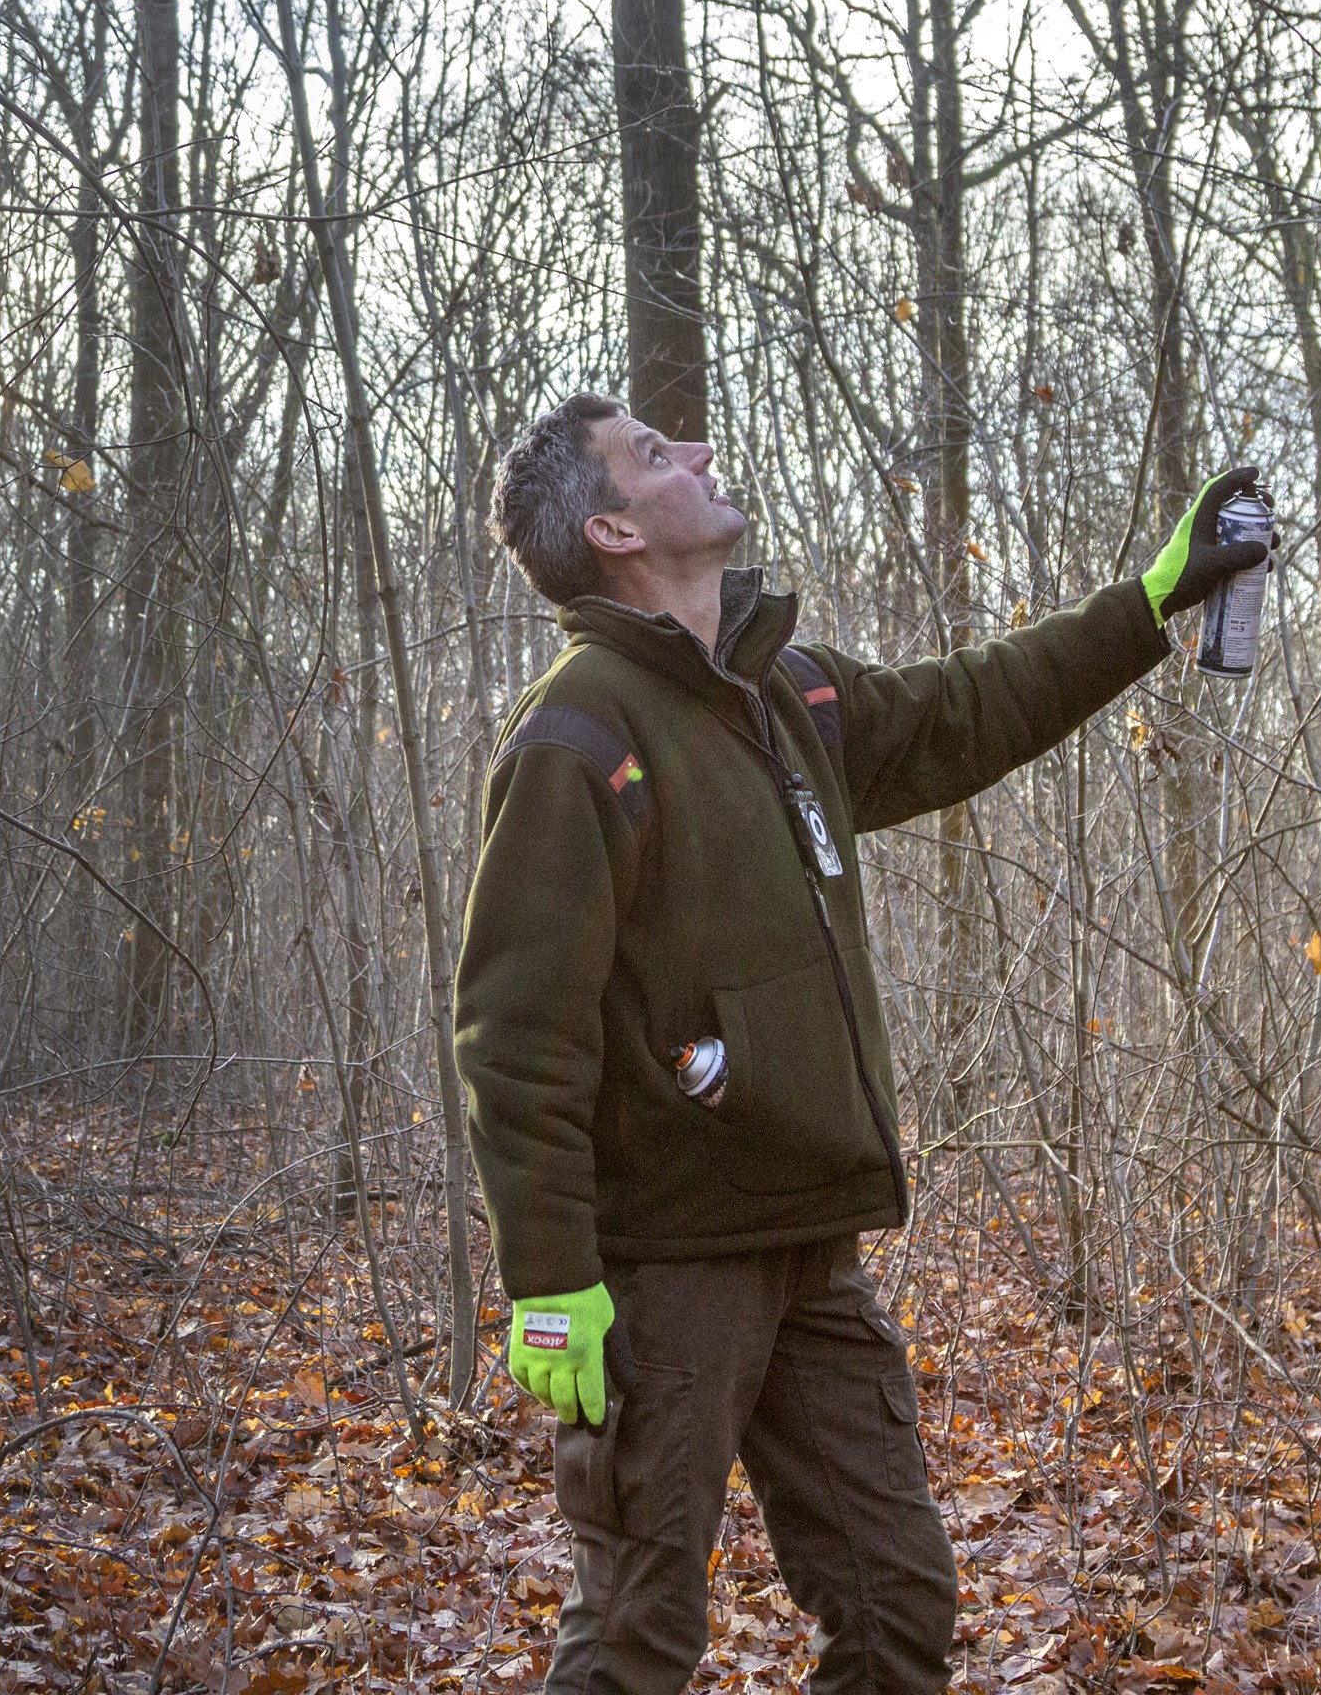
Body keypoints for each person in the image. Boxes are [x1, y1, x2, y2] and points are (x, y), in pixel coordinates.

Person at [452, 392, 1267, 1693]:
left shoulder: (786, 694)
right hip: (667, 1267)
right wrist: (550, 1285)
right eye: (657, 456)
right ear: (610, 527)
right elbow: (514, 1038)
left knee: (897, 1609)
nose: (701, 453)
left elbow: (969, 710)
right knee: (636, 1638)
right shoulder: (581, 735)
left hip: (809, 1248)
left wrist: (1148, 601)